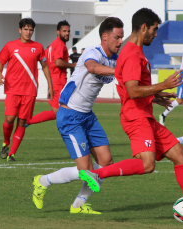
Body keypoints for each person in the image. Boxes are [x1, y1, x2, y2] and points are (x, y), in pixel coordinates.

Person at [78, 8, 183, 222]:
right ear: (144, 27)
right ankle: (96, 173)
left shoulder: (135, 52)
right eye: (154, 30)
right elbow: (132, 90)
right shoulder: (131, 55)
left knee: (181, 156)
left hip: (144, 116)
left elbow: (135, 90)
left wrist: (156, 95)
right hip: (135, 118)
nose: (156, 35)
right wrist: (162, 84)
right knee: (147, 164)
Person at [31, 17, 124, 214]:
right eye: (117, 37)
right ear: (105, 36)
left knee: (106, 162)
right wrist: (120, 71)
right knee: (86, 171)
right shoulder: (93, 52)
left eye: (122, 37)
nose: (120, 41)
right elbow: (92, 67)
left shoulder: (115, 58)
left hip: (87, 116)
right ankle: (41, 182)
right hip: (70, 114)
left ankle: (78, 206)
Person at [0, 18, 53, 162]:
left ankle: (12, 154)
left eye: (31, 30)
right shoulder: (10, 46)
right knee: (9, 119)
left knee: (22, 122)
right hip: (12, 89)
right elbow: (1, 63)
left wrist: (50, 85)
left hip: (30, 90)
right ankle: (6, 142)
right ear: (20, 30)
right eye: (26, 29)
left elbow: (45, 66)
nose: (28, 32)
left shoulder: (39, 47)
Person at [26, 20, 76, 127]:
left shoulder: (52, 45)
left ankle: (28, 121)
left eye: (68, 31)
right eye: (64, 31)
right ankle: (28, 121)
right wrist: (73, 65)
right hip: (58, 81)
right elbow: (58, 62)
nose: (67, 33)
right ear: (58, 32)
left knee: (58, 112)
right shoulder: (60, 45)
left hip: (54, 81)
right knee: (59, 113)